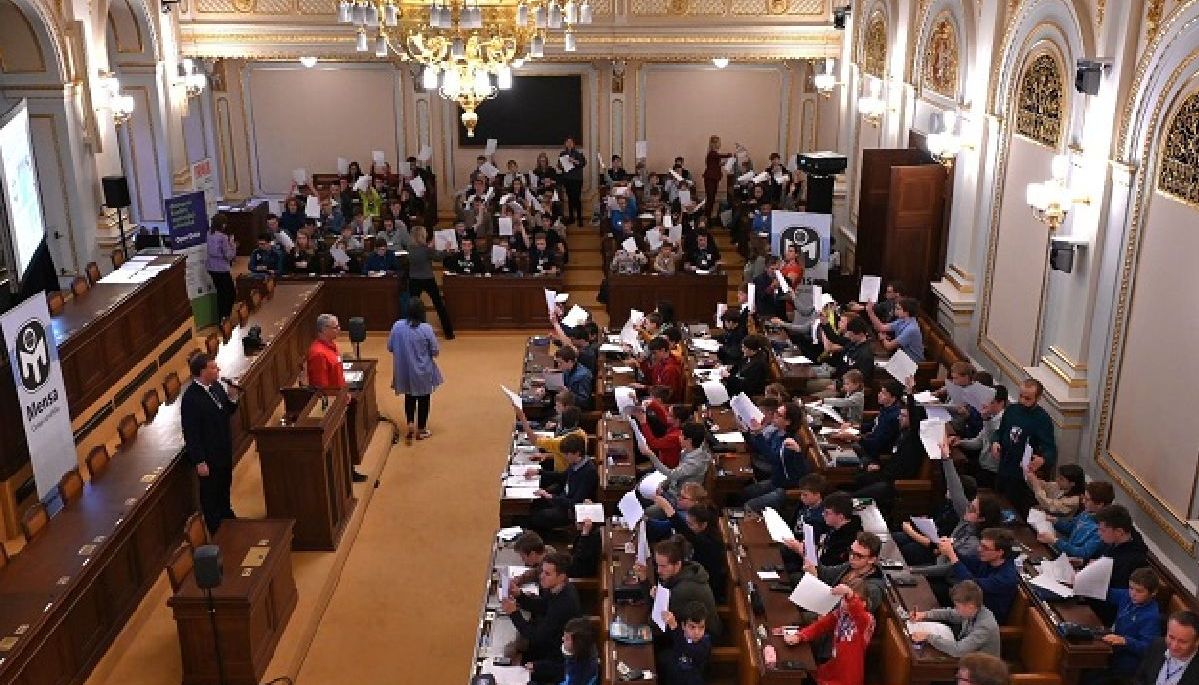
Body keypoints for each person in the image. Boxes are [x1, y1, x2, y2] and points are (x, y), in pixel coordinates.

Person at [501, 551, 583, 684]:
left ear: (561, 576)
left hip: (555, 659)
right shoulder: (558, 588)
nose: (541, 577)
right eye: (542, 572)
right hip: (548, 643)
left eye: (547, 574)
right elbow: (543, 606)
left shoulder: (564, 605)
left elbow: (536, 636)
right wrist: (519, 595)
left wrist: (514, 613)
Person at [180, 354, 240, 533]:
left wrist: (232, 397)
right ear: (202, 372)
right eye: (213, 367)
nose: (218, 370)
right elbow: (191, 433)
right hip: (208, 456)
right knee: (210, 494)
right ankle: (216, 528)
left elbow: (226, 412)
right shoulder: (190, 399)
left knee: (224, 486)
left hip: (223, 449)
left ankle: (227, 517)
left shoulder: (216, 387)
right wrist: (199, 460)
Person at [307, 314, 368, 482]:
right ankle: (345, 475)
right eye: (336, 327)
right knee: (340, 441)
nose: (339, 330)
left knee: (346, 438)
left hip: (342, 399)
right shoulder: (318, 354)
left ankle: (350, 470)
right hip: (333, 407)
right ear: (324, 330)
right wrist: (339, 401)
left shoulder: (331, 346)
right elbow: (322, 387)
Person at [784, 581, 874, 685]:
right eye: (843, 599)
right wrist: (800, 636)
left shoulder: (867, 620)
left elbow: (858, 611)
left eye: (847, 599)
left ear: (864, 603)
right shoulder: (840, 614)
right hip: (834, 667)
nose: (845, 603)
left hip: (848, 676)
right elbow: (820, 626)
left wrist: (850, 594)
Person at [992, 378, 1057, 514]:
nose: (1022, 401)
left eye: (1027, 398)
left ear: (1038, 398)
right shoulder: (1011, 410)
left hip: (1022, 474)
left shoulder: (1042, 419)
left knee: (1017, 511)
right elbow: (1000, 432)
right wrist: (996, 442)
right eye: (1020, 396)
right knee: (999, 502)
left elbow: (1050, 449)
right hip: (1004, 466)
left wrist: (1043, 459)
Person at [635, 537, 722, 636]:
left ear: (677, 564)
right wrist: (644, 579)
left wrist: (656, 598)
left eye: (663, 566)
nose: (658, 570)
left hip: (702, 639)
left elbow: (655, 623)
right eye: (657, 565)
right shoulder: (685, 570)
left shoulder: (683, 590)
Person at [387, 300, 443, 442]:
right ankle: (421, 429)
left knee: (409, 396)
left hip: (404, 370)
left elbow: (390, 347)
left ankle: (410, 423)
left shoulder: (397, 325)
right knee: (424, 399)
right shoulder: (426, 329)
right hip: (423, 370)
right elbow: (435, 351)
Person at [520, 435, 598, 535]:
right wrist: (539, 472)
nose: (564, 456)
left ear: (577, 453)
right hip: (562, 498)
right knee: (535, 502)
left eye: (567, 454)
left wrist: (551, 497)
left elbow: (575, 502)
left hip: (570, 510)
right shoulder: (576, 462)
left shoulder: (588, 473)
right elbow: (562, 476)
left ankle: (543, 537)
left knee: (538, 517)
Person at [938, 527, 1019, 623]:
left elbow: (972, 586)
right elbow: (967, 561)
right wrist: (950, 548)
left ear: (1000, 552)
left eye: (985, 547)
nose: (979, 549)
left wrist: (951, 555)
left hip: (982, 619)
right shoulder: (987, 559)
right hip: (968, 604)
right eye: (980, 545)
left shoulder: (1006, 577)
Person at [742, 401, 807, 512]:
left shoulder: (790, 442)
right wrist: (746, 432)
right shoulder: (777, 432)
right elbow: (760, 448)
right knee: (745, 493)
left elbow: (774, 458)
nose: (774, 415)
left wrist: (758, 434)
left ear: (787, 422)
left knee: (749, 506)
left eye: (779, 415)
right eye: (776, 412)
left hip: (785, 488)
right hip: (775, 481)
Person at [910, 580, 1001, 657]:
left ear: (970, 607)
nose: (955, 609)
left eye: (957, 606)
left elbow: (958, 650)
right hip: (968, 657)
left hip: (980, 668)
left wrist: (928, 637)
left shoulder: (985, 626)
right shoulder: (972, 611)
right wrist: (924, 614)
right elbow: (950, 614)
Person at [1102, 567, 1163, 681]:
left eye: (1139, 591)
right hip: (1112, 649)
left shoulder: (1151, 617)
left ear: (1153, 592)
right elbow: (1106, 593)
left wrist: (1125, 641)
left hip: (1127, 663)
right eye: (1131, 588)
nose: (1133, 594)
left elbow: (1148, 648)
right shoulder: (1128, 596)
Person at [1040, 480, 1115, 560]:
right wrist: (1055, 521)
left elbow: (1083, 553)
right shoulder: (1087, 513)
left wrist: (1055, 541)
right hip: (1064, 555)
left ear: (1100, 504)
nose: (1083, 501)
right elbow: (1071, 528)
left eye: (1087, 499)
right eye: (1084, 498)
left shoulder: (1103, 529)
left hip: (1074, 563)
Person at [406, 226, 455, 339]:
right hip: (427, 279)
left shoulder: (410, 249)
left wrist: (430, 245)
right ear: (422, 236)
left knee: (413, 306)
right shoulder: (426, 249)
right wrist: (447, 250)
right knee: (439, 305)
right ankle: (449, 333)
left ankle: (411, 333)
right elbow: (438, 257)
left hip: (413, 279)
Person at [1131, 611, 1199, 685]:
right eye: (1171, 637)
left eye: (1182, 642)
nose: (1174, 646)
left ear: (1197, 642)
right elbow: (1140, 678)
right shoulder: (1157, 645)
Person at [658, 601, 713, 685]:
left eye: (701, 627)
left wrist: (674, 627)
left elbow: (689, 650)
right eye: (692, 627)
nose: (697, 632)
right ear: (683, 626)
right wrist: (657, 600)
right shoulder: (680, 633)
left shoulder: (705, 642)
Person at [866, 296, 924, 362]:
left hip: (912, 362)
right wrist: (870, 312)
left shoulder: (911, 329)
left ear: (906, 313)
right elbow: (881, 327)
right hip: (901, 356)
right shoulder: (901, 320)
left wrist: (883, 338)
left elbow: (889, 346)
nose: (895, 310)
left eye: (898, 309)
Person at [816, 492, 864, 566]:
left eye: (827, 513)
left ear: (841, 517)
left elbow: (828, 565)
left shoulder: (848, 539)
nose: (823, 514)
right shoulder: (832, 526)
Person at [206, 216, 237, 320]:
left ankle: (221, 318)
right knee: (230, 294)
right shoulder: (223, 237)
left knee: (220, 293)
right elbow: (229, 255)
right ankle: (225, 317)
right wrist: (233, 245)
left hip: (211, 268)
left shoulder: (209, 234)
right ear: (222, 224)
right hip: (222, 269)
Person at [723, 333, 771, 399]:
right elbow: (740, 367)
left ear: (753, 350)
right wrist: (730, 368)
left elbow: (747, 386)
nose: (742, 350)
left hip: (746, 394)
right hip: (737, 385)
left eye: (745, 348)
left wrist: (729, 377)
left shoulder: (759, 365)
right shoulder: (748, 356)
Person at [559, 617, 600, 685]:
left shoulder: (578, 674)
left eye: (567, 638)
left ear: (578, 644)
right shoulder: (586, 650)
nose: (562, 638)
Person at [703, 136, 733, 220]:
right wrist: (730, 155)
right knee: (710, 199)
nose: (720, 144)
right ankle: (706, 218)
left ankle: (707, 217)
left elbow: (716, 164)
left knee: (712, 198)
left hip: (713, 179)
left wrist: (722, 164)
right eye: (719, 142)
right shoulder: (712, 153)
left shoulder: (714, 154)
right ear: (714, 143)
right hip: (710, 179)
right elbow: (720, 156)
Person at [558, 137, 586, 225]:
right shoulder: (562, 154)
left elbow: (583, 163)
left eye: (571, 142)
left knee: (577, 198)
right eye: (567, 142)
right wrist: (560, 165)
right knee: (570, 198)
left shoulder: (578, 153)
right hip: (567, 179)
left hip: (577, 179)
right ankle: (571, 217)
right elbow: (560, 166)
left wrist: (574, 161)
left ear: (574, 144)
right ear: (565, 144)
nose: (569, 144)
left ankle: (579, 218)